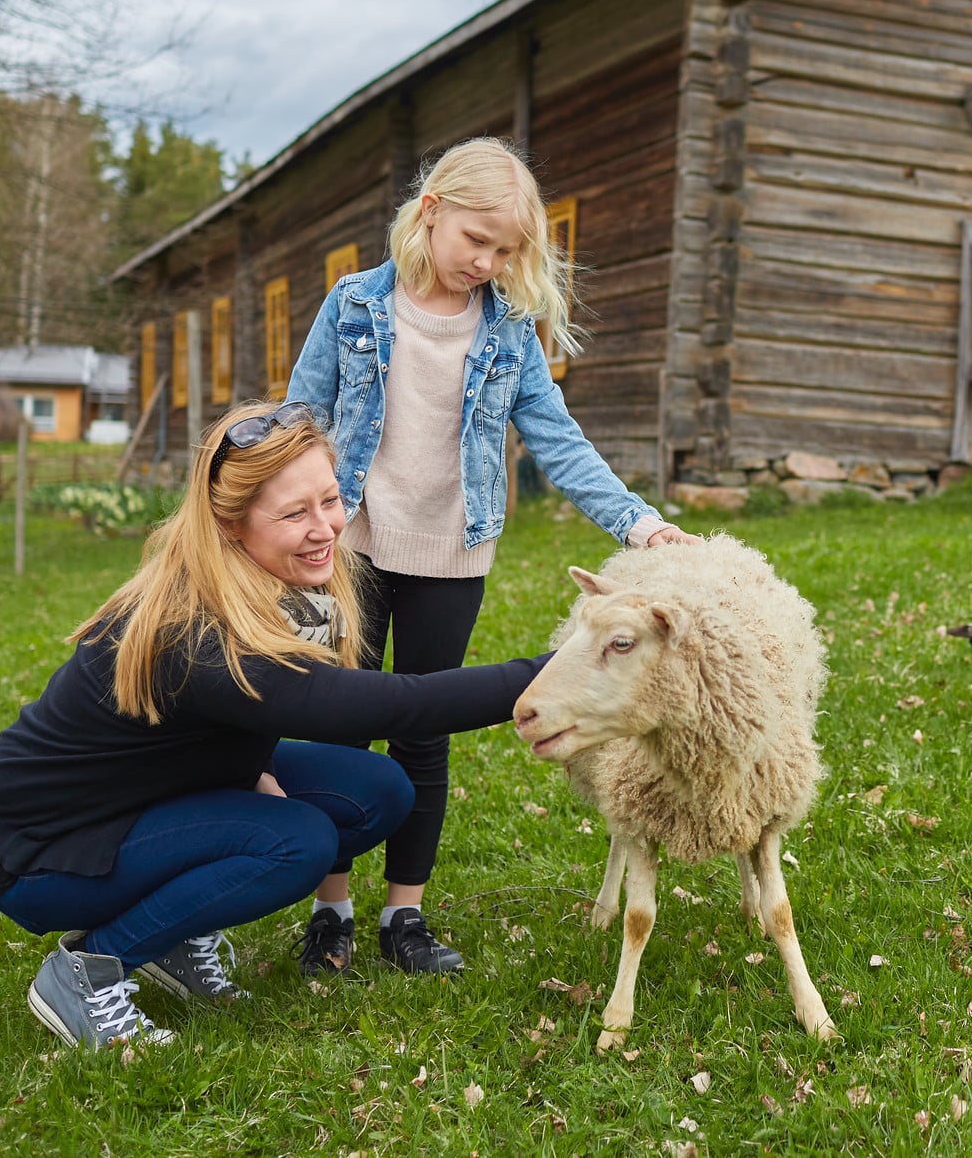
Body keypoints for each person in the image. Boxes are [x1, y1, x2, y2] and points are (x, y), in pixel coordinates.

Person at [0, 400, 549, 1049]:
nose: (324, 527)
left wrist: (250, 768)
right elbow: (397, 705)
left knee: (378, 789)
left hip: (141, 792)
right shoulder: (203, 635)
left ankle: (170, 938)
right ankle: (90, 970)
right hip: (45, 845)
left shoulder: (282, 586)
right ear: (231, 525)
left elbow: (206, 727)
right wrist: (564, 668)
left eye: (329, 499)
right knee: (297, 842)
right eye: (295, 513)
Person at [285, 136, 696, 978]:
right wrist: (272, 519)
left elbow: (556, 438)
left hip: (451, 554)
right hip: (348, 548)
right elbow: (301, 417)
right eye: (479, 240)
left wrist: (638, 522)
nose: (490, 261)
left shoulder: (507, 330)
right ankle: (331, 912)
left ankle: (407, 912)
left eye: (508, 250)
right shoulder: (356, 304)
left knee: (424, 729)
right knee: (341, 725)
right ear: (431, 211)